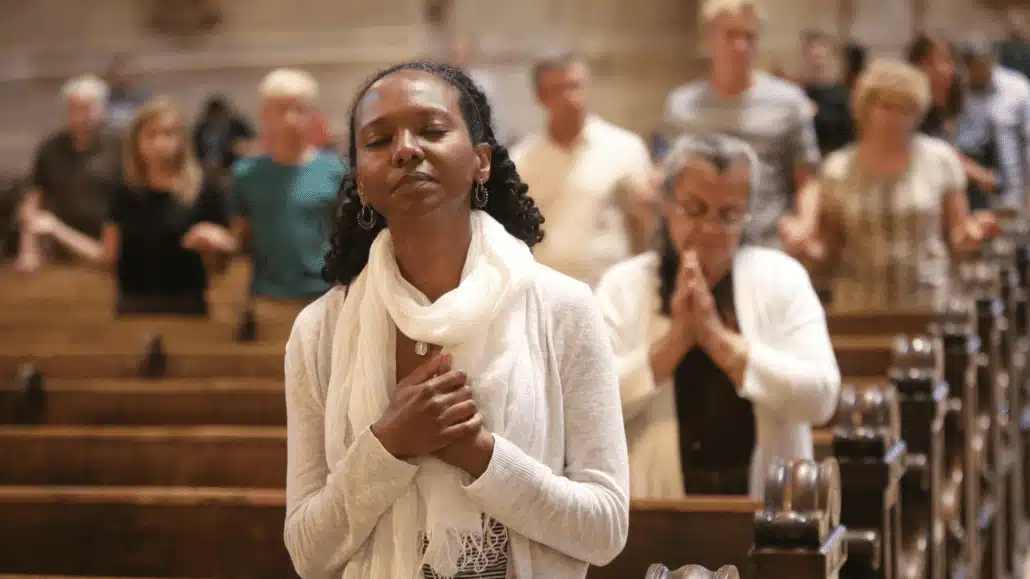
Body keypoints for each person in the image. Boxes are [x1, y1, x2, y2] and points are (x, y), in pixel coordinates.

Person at [282, 61, 629, 579]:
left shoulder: (563, 309)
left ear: (481, 161)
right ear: (359, 177)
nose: (405, 149)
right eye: (378, 141)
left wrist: (481, 455)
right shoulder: (321, 330)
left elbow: (604, 529)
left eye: (432, 130)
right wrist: (388, 446)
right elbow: (308, 553)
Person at [595, 133, 840, 499]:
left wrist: (721, 343)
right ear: (667, 204)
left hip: (769, 511)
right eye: (694, 209)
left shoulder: (781, 278)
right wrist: (674, 344)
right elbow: (590, 406)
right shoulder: (623, 286)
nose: (710, 230)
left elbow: (821, 399)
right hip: (655, 510)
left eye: (728, 215)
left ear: (748, 216)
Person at [789, 59, 1000, 310]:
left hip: (928, 303)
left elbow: (956, 232)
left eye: (907, 109)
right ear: (867, 107)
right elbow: (830, 246)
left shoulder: (939, 160)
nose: (896, 118)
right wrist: (805, 247)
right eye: (887, 106)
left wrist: (975, 233)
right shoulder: (838, 169)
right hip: (859, 308)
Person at [24, 98, 234, 316]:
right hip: (134, 306)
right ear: (137, 142)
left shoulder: (205, 188)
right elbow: (107, 258)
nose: (159, 143)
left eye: (168, 134)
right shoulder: (124, 192)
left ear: (182, 139)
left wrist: (218, 242)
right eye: (151, 135)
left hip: (188, 306)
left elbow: (226, 258)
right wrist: (57, 229)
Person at [665, 0, 821, 253]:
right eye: (730, 35)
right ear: (709, 38)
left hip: (765, 245)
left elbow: (807, 178)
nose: (740, 46)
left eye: (749, 36)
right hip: (698, 245)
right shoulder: (682, 105)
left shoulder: (789, 102)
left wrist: (804, 224)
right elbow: (671, 176)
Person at [511, 52, 655, 287]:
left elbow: (645, 226)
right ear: (541, 97)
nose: (571, 98)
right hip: (547, 293)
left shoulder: (625, 148)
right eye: (559, 89)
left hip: (609, 291)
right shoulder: (520, 161)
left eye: (576, 86)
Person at [230, 68, 346, 336]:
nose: (290, 119)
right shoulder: (246, 174)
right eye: (280, 110)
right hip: (267, 300)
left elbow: (346, 236)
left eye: (299, 110)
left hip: (325, 299)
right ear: (265, 116)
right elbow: (240, 238)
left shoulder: (335, 171)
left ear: (312, 116)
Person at [15, 74, 122, 273]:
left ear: (103, 109)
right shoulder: (49, 148)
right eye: (76, 108)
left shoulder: (121, 147)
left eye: (89, 107)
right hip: (61, 247)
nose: (83, 116)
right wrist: (28, 249)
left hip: (107, 247)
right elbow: (33, 198)